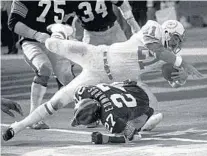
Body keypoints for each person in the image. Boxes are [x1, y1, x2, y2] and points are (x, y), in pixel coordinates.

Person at [2, 20, 202, 141]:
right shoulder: (153, 29)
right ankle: (61, 30)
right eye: (175, 39)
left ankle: (140, 123)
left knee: (58, 100)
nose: (176, 45)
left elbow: (172, 78)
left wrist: (181, 78)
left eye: (179, 42)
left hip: (107, 79)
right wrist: (183, 62)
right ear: (167, 32)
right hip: (97, 56)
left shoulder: (168, 55)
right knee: (52, 44)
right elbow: (157, 49)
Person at [7, 0, 75, 129]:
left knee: (69, 79)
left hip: (54, 42)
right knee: (44, 68)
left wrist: (68, 29)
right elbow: (13, 23)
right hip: (31, 41)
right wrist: (36, 34)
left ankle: (87, 114)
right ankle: (33, 117)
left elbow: (76, 10)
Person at [71, 80, 163, 144]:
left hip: (149, 103)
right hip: (136, 84)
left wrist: (106, 139)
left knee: (129, 129)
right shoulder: (84, 91)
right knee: (112, 87)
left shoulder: (110, 117)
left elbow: (135, 137)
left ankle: (149, 119)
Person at [67, 0, 140, 45]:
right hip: (91, 35)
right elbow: (69, 18)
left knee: (124, 59)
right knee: (92, 65)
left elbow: (122, 3)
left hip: (113, 31)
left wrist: (132, 23)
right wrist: (71, 37)